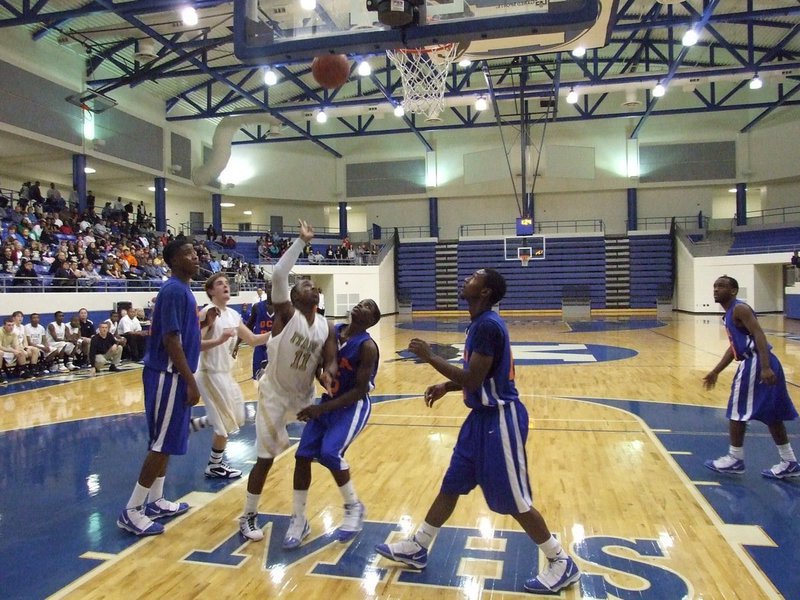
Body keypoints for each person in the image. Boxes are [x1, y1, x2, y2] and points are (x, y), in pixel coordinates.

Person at [374, 268, 581, 594]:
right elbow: (479, 377)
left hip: (501, 421)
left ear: (484, 292)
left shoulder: (486, 326)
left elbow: (473, 379)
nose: (465, 280)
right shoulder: (480, 323)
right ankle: (419, 545)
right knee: (452, 483)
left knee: (515, 500)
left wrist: (431, 358)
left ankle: (560, 561)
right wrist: (446, 384)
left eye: (473, 277)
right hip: (480, 422)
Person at [238, 220, 337, 542]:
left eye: (311, 283)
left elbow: (329, 357)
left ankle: (299, 516)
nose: (308, 284)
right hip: (274, 395)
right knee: (265, 460)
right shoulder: (286, 316)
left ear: (318, 295)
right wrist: (301, 242)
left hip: (304, 395)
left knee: (305, 456)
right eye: (303, 283)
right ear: (293, 297)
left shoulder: (325, 325)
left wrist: (327, 371)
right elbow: (280, 274)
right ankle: (248, 515)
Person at [117, 239, 207, 536]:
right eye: (188, 254)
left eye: (195, 253)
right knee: (159, 444)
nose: (195, 257)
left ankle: (156, 500)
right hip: (168, 375)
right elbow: (171, 340)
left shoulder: (182, 290)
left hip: (175, 375)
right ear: (173, 261)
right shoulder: (172, 290)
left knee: (166, 441)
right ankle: (132, 510)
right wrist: (191, 381)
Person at [287, 299, 381, 549]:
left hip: (351, 406)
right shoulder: (334, 331)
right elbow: (321, 363)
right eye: (361, 303)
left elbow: (359, 391)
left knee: (330, 453)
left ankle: (353, 507)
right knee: (302, 456)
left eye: (369, 307)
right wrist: (321, 375)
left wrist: (320, 409)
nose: (362, 306)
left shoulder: (367, 347)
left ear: (372, 320)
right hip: (329, 401)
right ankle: (299, 519)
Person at [702, 275, 799, 479]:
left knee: (737, 410)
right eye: (715, 286)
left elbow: (759, 334)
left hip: (756, 362)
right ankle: (789, 461)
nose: (716, 289)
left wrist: (764, 367)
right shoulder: (730, 313)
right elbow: (734, 348)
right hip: (761, 361)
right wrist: (716, 371)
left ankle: (735, 458)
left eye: (721, 286)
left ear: (734, 291)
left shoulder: (740, 309)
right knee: (772, 414)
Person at [189, 272, 271, 479]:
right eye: (219, 283)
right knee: (224, 427)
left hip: (226, 374)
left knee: (239, 416)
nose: (225, 286)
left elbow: (252, 339)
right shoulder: (208, 312)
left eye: (227, 283)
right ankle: (214, 465)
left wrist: (279, 333)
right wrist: (219, 340)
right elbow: (194, 345)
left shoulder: (233, 315)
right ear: (210, 291)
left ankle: (195, 424)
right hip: (209, 373)